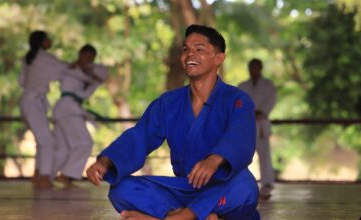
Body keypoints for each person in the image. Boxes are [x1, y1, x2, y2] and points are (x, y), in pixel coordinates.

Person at [87, 24, 260, 220]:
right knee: (121, 189)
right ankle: (187, 215)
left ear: (218, 58)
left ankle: (177, 217)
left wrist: (214, 160)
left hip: (221, 186)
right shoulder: (167, 103)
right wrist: (106, 161)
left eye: (199, 49)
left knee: (244, 184)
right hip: (183, 189)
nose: (190, 54)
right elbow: (140, 137)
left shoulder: (237, 99)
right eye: (186, 49)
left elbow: (240, 139)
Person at [51, 44, 108, 187]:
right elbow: (63, 72)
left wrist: (88, 72)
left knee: (63, 148)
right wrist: (83, 71)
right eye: (86, 56)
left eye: (91, 58)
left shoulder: (93, 71)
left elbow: (101, 77)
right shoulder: (68, 68)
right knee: (84, 142)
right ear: (80, 54)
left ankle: (49, 176)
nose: (88, 60)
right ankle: (65, 175)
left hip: (68, 108)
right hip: (67, 108)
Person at [19, 30, 67, 188]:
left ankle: (37, 174)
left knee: (42, 140)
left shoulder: (28, 58)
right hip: (33, 102)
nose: (50, 41)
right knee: (46, 140)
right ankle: (45, 177)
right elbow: (64, 70)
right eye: (47, 39)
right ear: (41, 42)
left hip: (29, 101)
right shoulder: (45, 58)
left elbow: (21, 81)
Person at [238, 58, 277, 200]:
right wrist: (249, 112)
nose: (253, 70)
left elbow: (271, 101)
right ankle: (240, 181)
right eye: (251, 67)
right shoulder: (242, 86)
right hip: (247, 124)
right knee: (243, 154)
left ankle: (267, 182)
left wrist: (261, 112)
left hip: (261, 123)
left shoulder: (268, 85)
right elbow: (238, 103)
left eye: (256, 67)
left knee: (264, 154)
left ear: (260, 68)